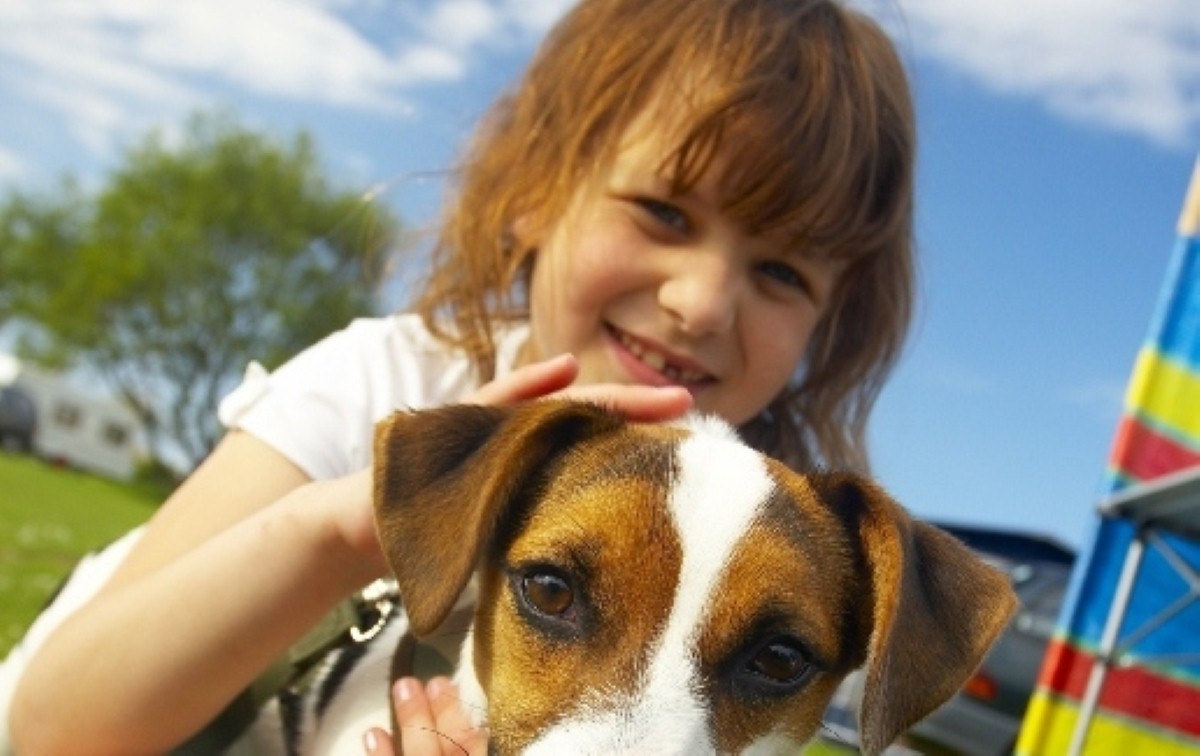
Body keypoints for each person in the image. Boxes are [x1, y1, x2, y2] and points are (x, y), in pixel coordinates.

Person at [4, 0, 916, 752]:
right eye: (664, 212)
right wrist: (352, 526)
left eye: (783, 272)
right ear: (534, 193)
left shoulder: (786, 535)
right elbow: (52, 730)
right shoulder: (378, 381)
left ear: (827, 322)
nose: (703, 301)